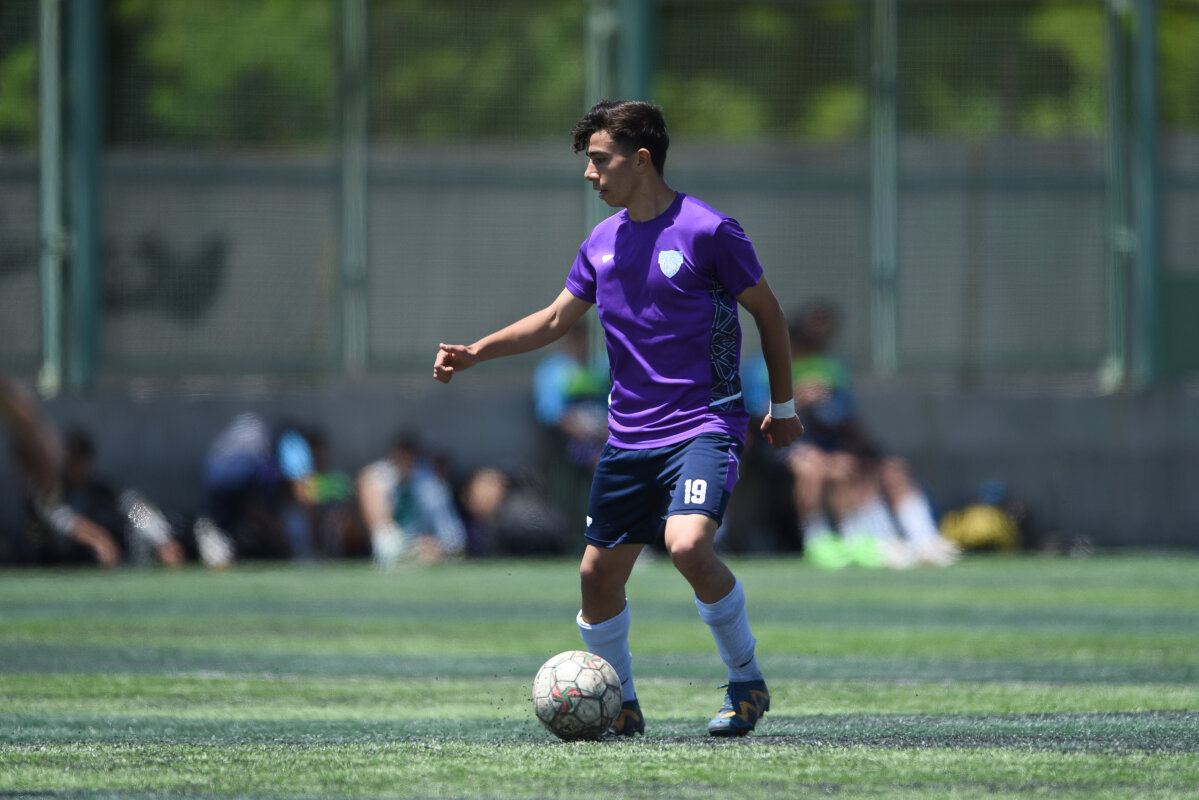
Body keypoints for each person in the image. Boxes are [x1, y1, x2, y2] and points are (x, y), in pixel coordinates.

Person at [434, 100, 803, 737]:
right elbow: (555, 320)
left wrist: (783, 406)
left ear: (641, 160)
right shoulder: (601, 243)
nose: (590, 173)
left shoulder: (710, 231)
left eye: (600, 160)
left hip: (704, 424)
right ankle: (622, 704)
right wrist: (477, 351)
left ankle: (746, 682)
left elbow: (769, 314)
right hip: (628, 438)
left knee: (687, 544)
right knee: (596, 575)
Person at [781, 300, 959, 568]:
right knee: (821, 466)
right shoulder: (764, 367)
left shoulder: (833, 367)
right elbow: (758, 417)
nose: (819, 335)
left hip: (833, 445)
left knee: (890, 469)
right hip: (787, 446)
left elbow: (843, 416)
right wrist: (797, 400)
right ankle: (830, 542)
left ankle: (924, 541)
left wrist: (831, 409)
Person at [357, 431, 468, 566]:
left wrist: (437, 547)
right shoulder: (375, 478)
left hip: (425, 550)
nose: (405, 461)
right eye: (401, 456)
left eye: (410, 456)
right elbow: (384, 540)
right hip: (390, 550)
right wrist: (408, 546)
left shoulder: (430, 483)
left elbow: (453, 537)